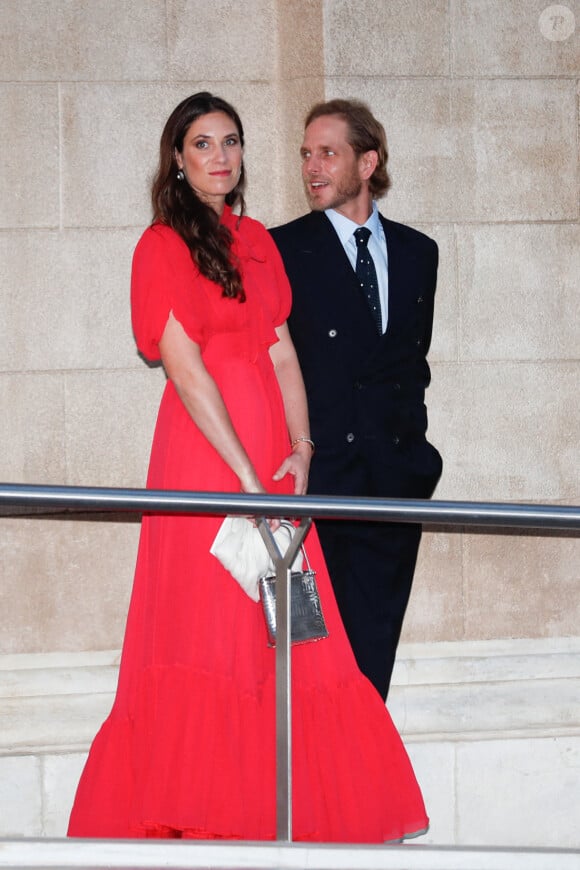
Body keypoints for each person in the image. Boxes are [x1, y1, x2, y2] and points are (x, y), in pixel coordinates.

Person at [67, 92, 428, 842]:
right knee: (208, 633)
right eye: (203, 144)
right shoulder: (160, 245)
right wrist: (245, 476)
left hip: (271, 461)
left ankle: (288, 816)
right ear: (177, 158)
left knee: (291, 641)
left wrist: (299, 449)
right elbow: (185, 368)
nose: (221, 157)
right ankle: (201, 815)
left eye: (230, 141)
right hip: (205, 460)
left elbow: (281, 349)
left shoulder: (258, 239)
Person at [270, 99, 442, 701]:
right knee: (308, 667)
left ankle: (358, 790)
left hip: (394, 485)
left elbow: (409, 366)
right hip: (320, 491)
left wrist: (418, 462)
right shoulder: (281, 249)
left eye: (328, 153)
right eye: (306, 154)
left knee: (373, 669)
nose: (312, 167)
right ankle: (310, 791)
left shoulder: (420, 252)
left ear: (367, 162)